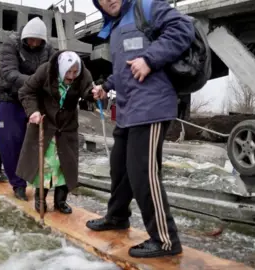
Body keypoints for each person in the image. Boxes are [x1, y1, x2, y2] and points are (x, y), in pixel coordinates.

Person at [87, 0, 195, 258]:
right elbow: (125, 68)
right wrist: (107, 85)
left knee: (142, 174)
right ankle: (117, 217)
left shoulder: (146, 7)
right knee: (120, 168)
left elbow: (183, 29)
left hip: (151, 107)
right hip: (128, 109)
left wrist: (149, 59)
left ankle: (165, 239)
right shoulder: (113, 26)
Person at [17, 50, 94, 214]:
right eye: (68, 72)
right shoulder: (46, 71)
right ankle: (40, 198)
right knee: (45, 165)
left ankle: (60, 201)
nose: (72, 76)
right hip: (45, 123)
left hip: (67, 127)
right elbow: (26, 91)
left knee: (64, 165)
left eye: (75, 72)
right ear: (60, 68)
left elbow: (87, 90)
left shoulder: (82, 74)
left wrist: (93, 94)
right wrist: (33, 111)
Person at [0, 17, 55, 201]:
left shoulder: (48, 49)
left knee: (36, 144)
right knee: (11, 143)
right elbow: (9, 73)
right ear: (25, 37)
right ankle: (17, 183)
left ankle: (37, 183)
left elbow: (56, 68)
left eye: (38, 41)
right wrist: (35, 82)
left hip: (35, 101)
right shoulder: (11, 43)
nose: (34, 44)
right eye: (31, 40)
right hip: (11, 99)